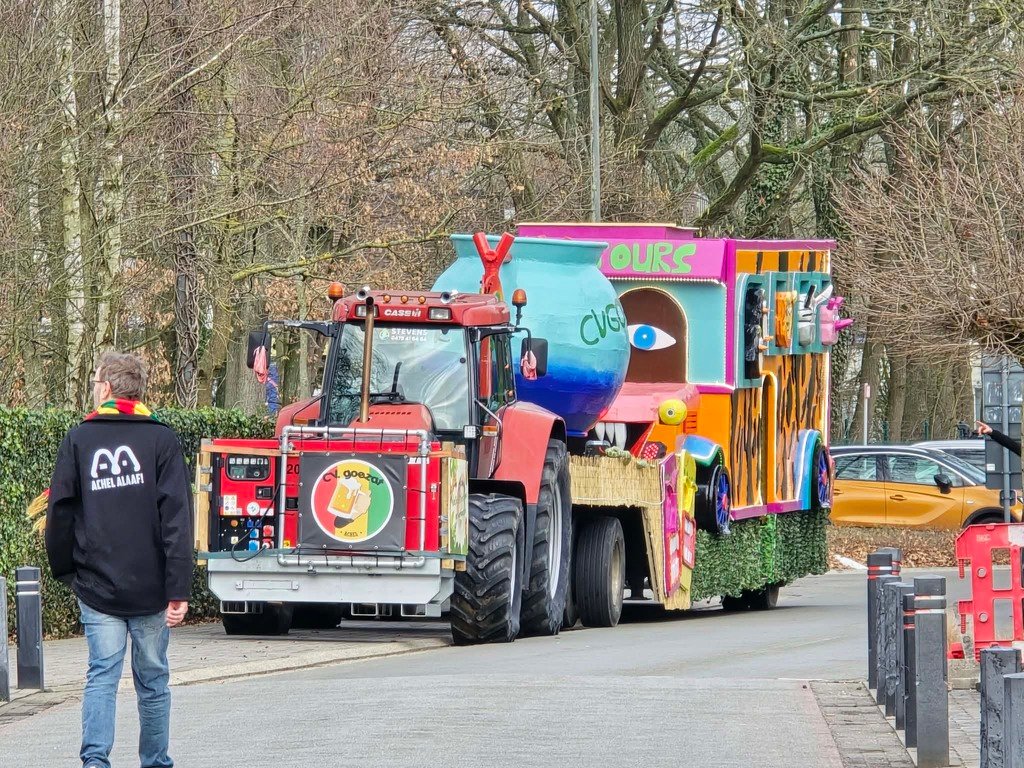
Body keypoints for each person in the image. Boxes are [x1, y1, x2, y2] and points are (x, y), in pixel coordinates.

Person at [45, 352, 193, 768]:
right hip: (152, 589)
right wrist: (178, 588)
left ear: (107, 388)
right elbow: (177, 520)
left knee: (102, 677)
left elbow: (60, 512)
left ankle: (95, 761)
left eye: (96, 382)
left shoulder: (79, 439)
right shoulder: (162, 440)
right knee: (153, 681)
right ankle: (155, 762)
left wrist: (67, 571)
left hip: (97, 587)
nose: (95, 389)